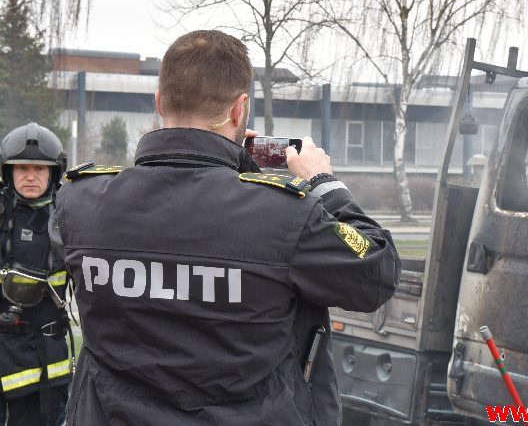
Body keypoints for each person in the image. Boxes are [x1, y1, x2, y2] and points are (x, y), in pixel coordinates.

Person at [50, 29, 401, 425]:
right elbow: (377, 270)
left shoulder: (80, 204)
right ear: (240, 109)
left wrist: (233, 170)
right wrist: (323, 184)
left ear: (159, 101)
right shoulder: (285, 217)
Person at [0, 123, 71, 426]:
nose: (30, 176)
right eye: (22, 168)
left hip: (44, 361)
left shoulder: (67, 219)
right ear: (8, 173)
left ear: (54, 174)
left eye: (40, 169)